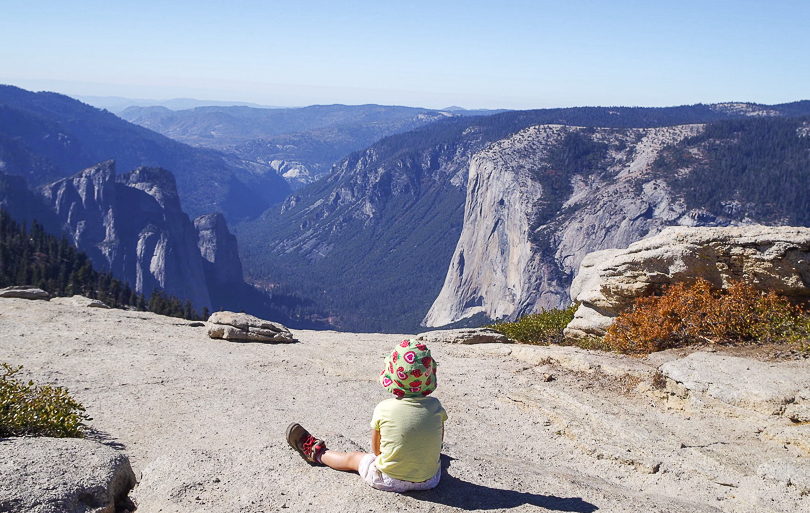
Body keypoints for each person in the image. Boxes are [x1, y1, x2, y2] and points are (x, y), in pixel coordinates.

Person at [286, 339, 448, 492]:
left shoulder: (384, 408)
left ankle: (317, 453)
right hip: (430, 480)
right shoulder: (436, 406)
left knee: (353, 458)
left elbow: (377, 451)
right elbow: (439, 441)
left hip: (388, 479)